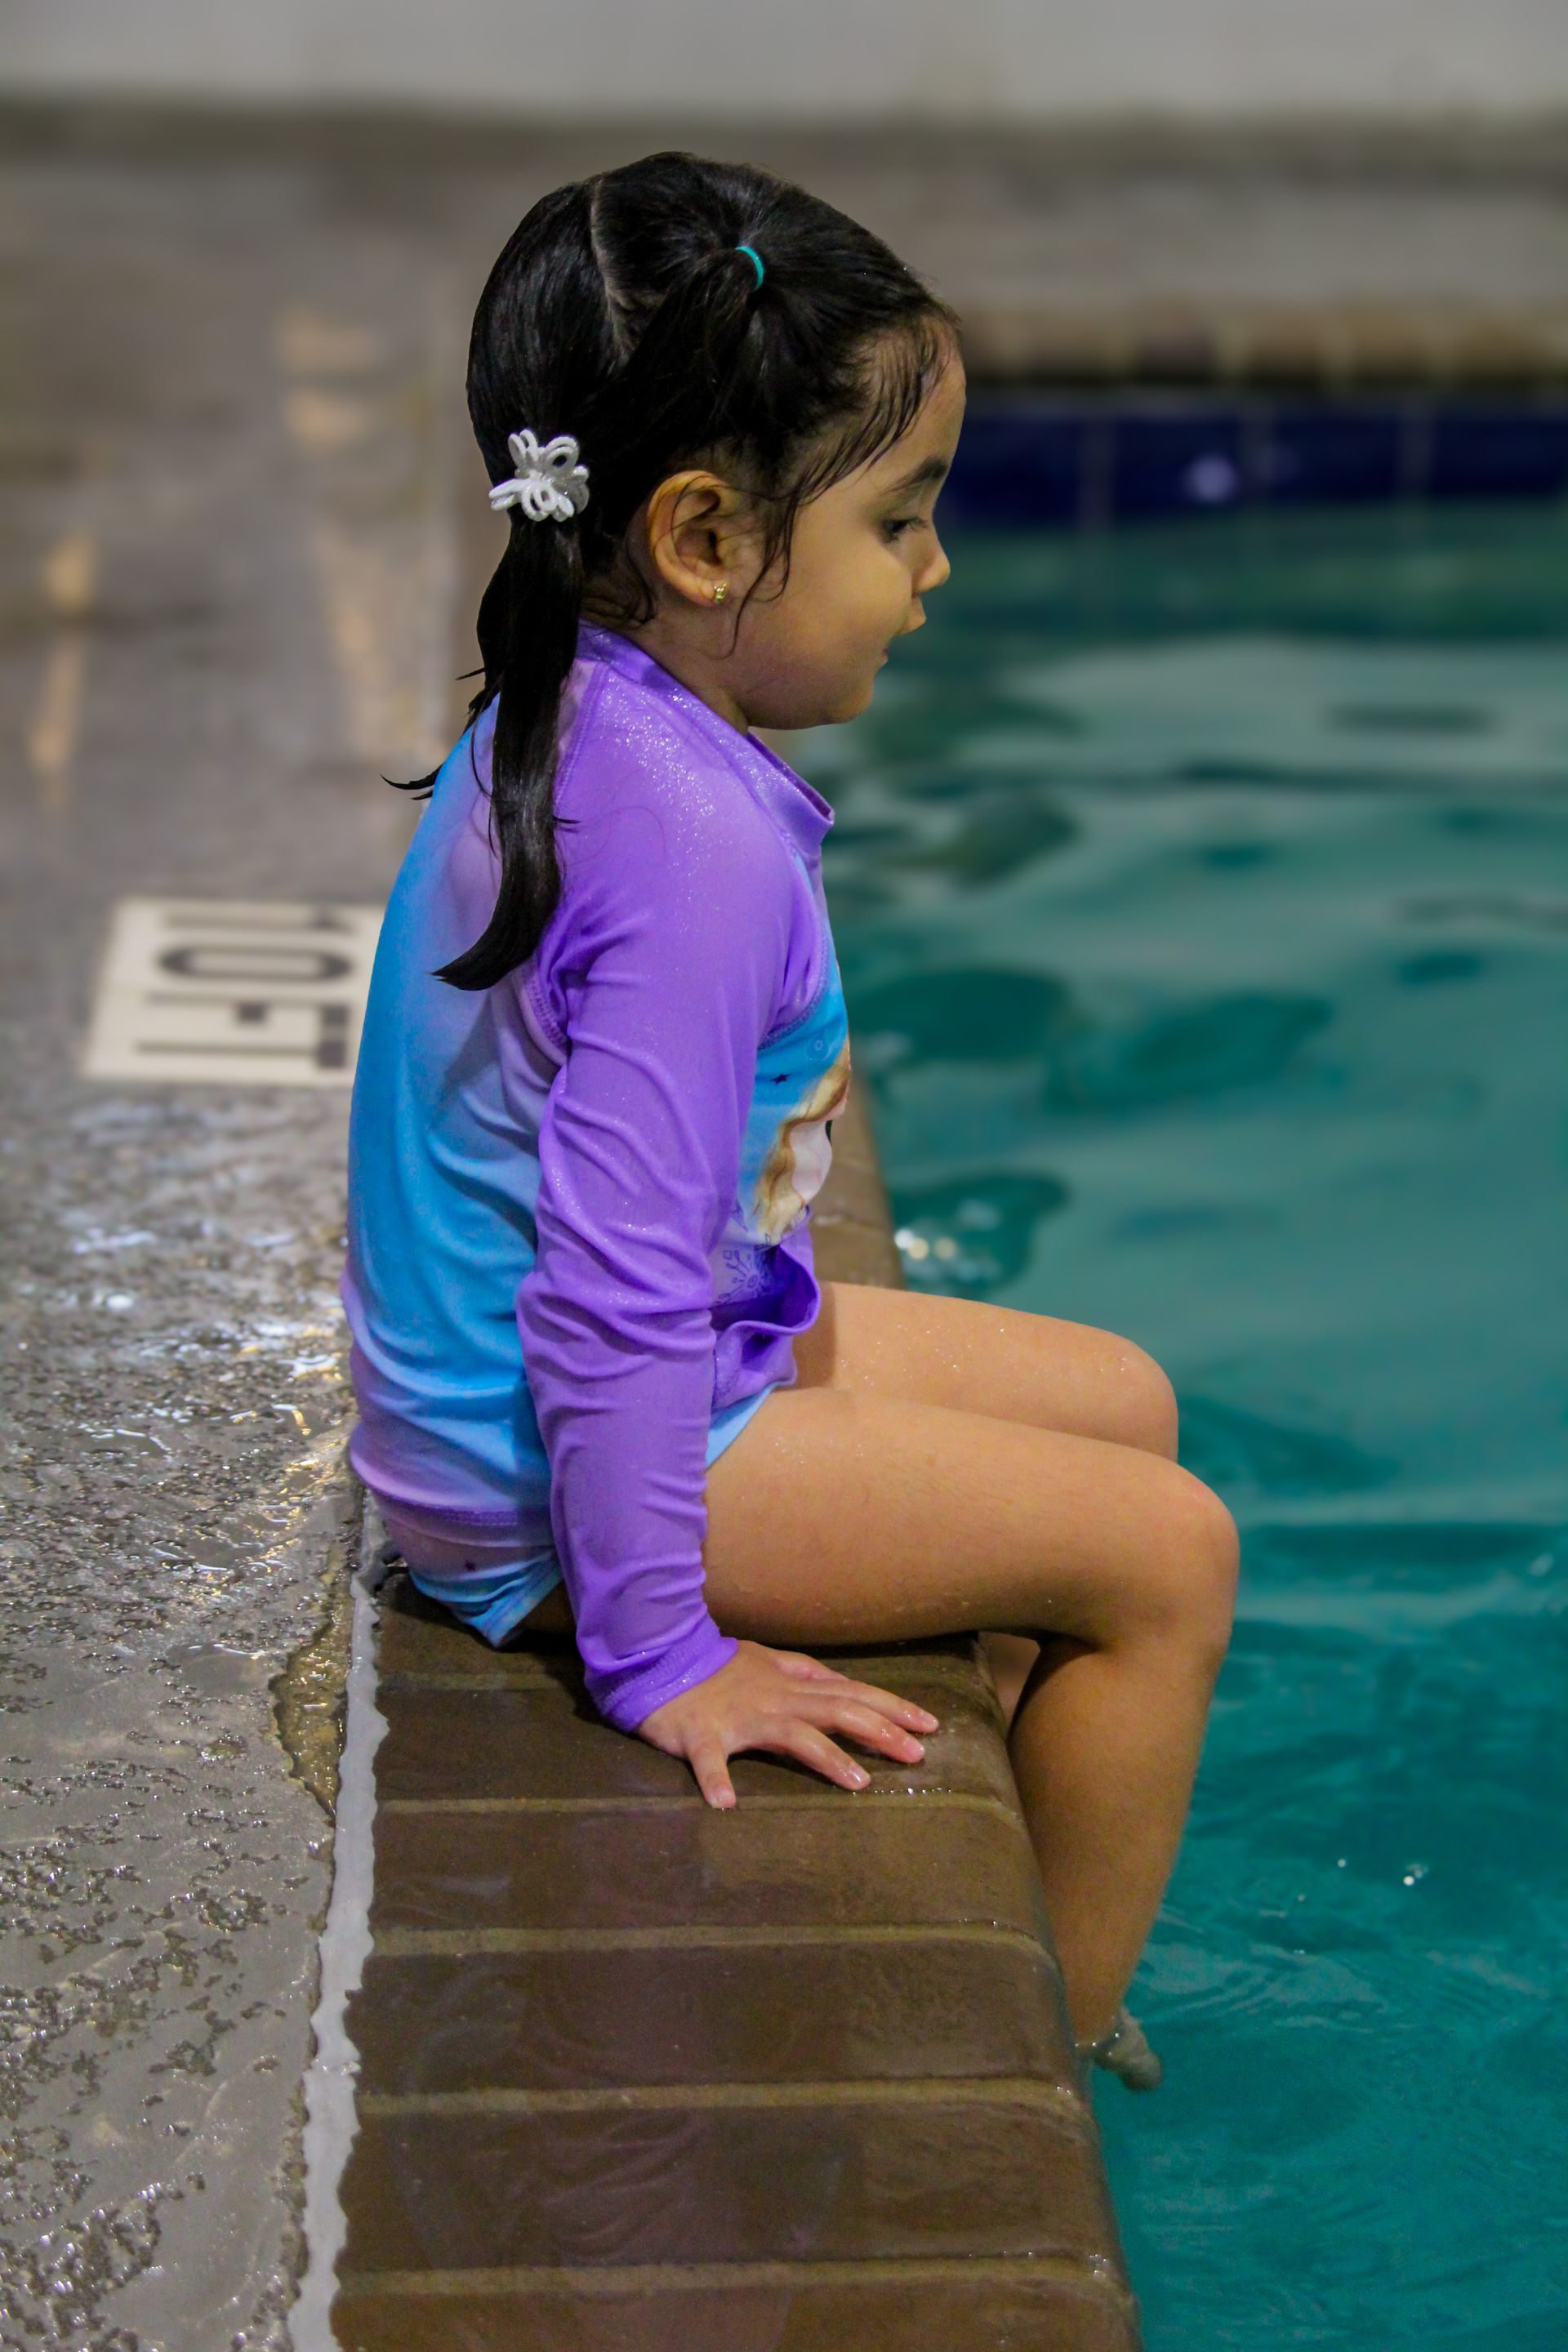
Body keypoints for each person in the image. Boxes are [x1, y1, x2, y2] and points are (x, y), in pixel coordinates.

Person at [342, 152, 1236, 2078]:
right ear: (700, 533)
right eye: (900, 517)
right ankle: (1049, 2056)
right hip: (549, 1460)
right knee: (1167, 1554)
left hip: (587, 1373)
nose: (935, 573)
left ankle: (1024, 1865)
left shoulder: (581, 697)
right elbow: (605, 1297)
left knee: (1127, 1407)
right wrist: (660, 1649)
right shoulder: (684, 847)